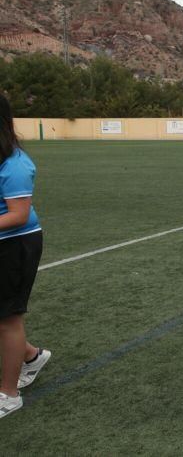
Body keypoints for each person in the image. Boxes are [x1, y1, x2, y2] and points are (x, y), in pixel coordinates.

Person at [0, 93, 51, 420]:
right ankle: (31, 357)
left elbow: (18, 214)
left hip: (15, 245)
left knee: (8, 318)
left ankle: (9, 393)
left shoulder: (15, 163)